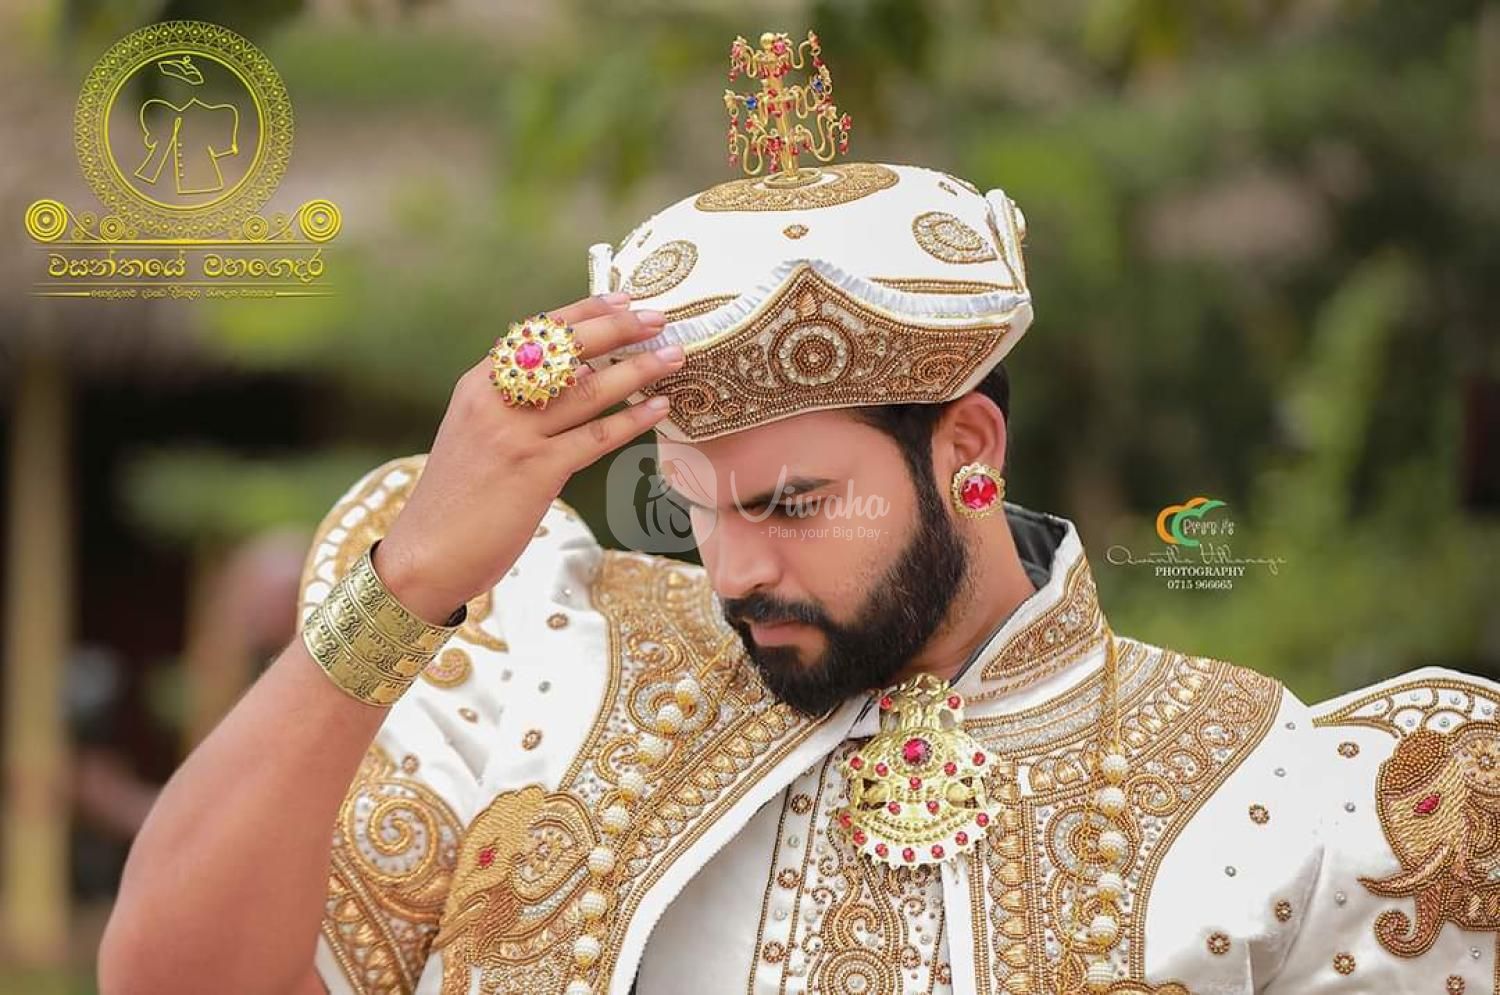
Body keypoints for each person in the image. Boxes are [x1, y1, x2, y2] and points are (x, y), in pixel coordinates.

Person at [100, 30, 1496, 995]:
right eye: (692, 507)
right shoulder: (548, 669)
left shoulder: (1264, 789)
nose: (732, 568)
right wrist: (406, 585)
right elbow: (172, 978)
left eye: (790, 503)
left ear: (968, 449)